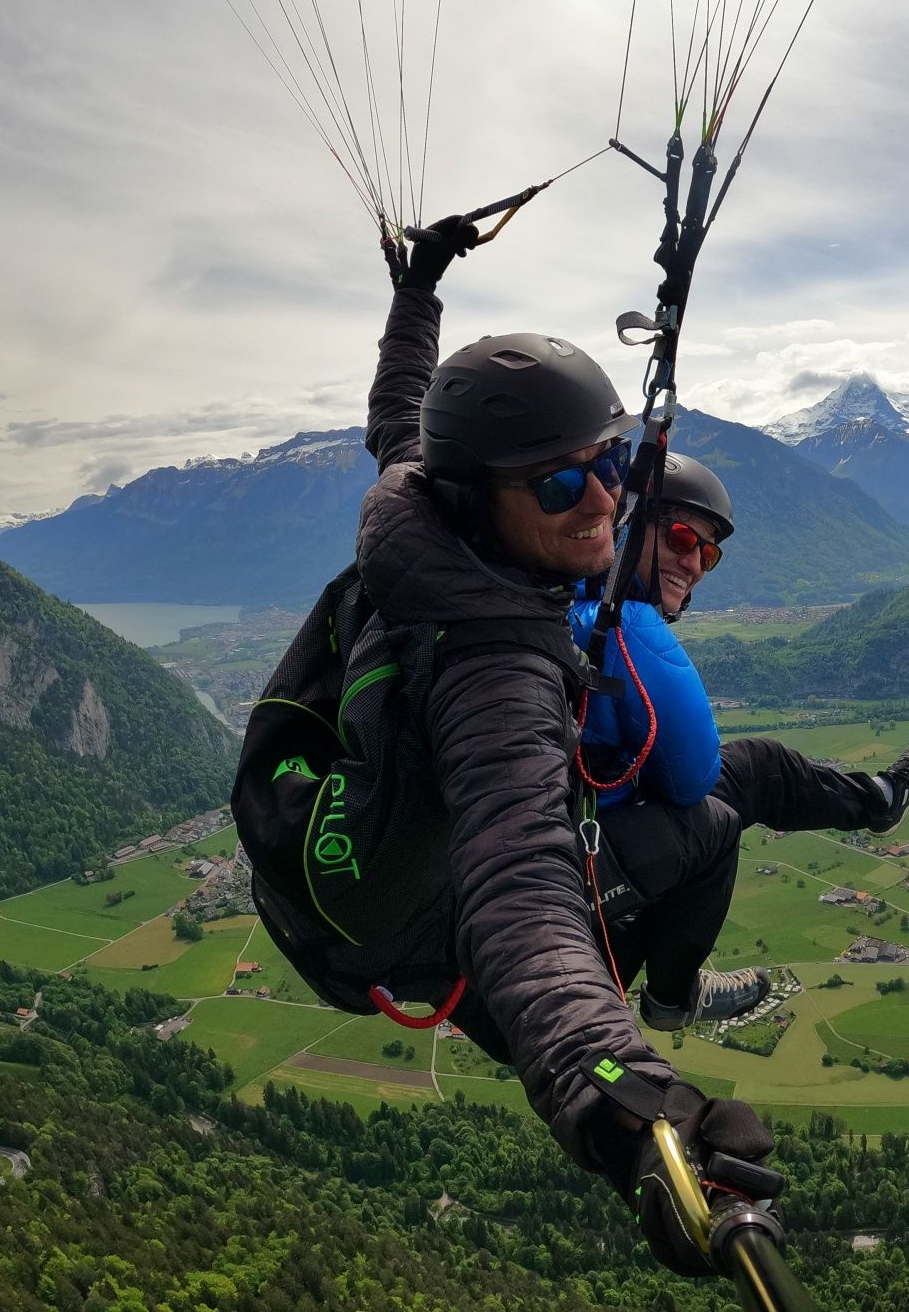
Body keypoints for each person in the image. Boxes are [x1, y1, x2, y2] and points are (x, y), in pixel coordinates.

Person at [353, 219, 779, 1275]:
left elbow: (397, 409)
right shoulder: (491, 665)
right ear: (481, 499)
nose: (601, 502)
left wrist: (419, 283)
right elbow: (521, 894)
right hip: (463, 945)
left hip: (443, 888)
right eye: (557, 485)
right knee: (713, 820)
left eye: (609, 464)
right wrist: (628, 1107)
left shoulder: (424, 497)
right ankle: (674, 992)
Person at [569, 450, 909, 1032]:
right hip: (584, 891)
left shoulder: (560, 598)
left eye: (708, 553)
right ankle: (673, 997)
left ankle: (879, 799)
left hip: (569, 847)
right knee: (714, 824)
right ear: (627, 525)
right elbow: (692, 777)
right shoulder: (621, 628)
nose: (694, 563)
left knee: (758, 766)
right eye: (682, 537)